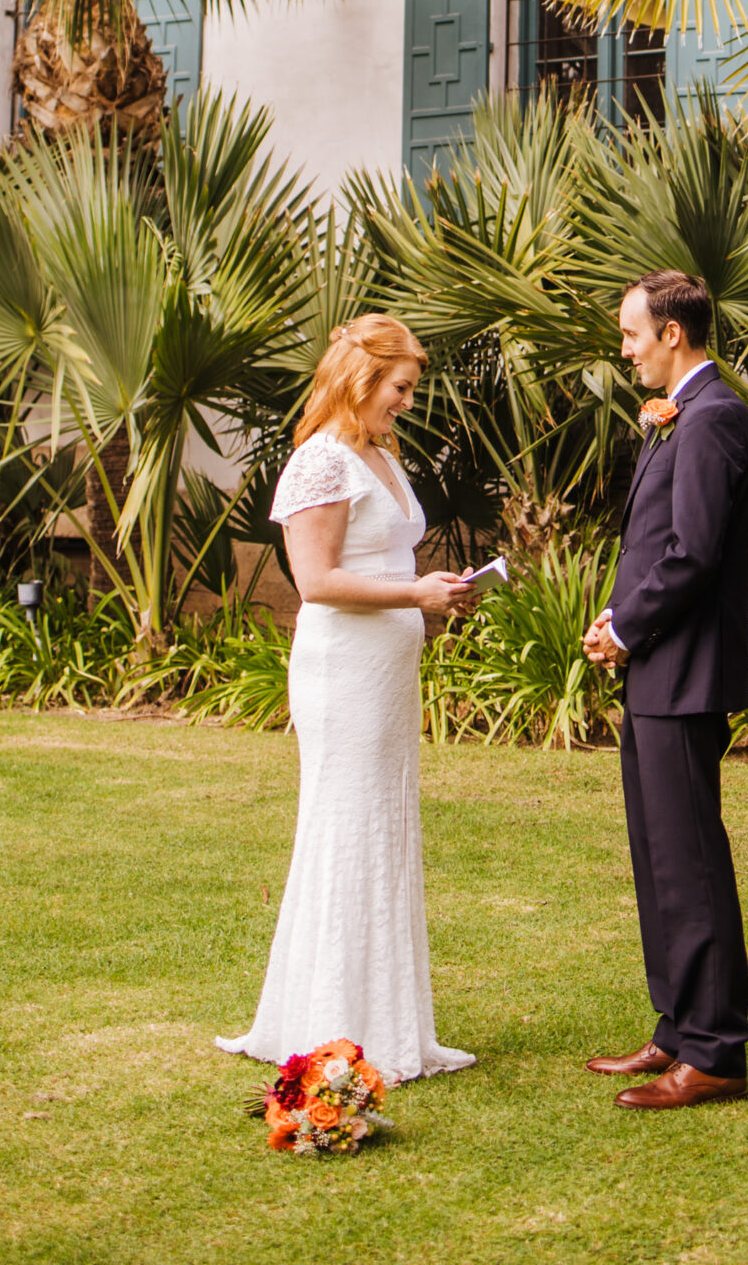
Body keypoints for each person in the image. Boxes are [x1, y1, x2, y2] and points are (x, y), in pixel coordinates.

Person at [214, 313, 480, 1084]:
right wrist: (413, 593)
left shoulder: (379, 455)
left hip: (387, 669)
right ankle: (329, 1026)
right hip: (344, 670)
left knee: (384, 825)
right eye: (399, 388)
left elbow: (386, 553)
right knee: (348, 824)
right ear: (360, 378)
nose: (405, 402)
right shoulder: (320, 462)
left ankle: (391, 1026)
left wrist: (436, 593)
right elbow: (316, 582)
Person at [582, 269, 748, 1110]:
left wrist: (625, 628)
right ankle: (677, 1027)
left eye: (630, 335)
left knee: (690, 863)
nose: (624, 350)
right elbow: (654, 546)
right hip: (655, 669)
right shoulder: (678, 416)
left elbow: (691, 552)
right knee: (658, 858)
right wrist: (617, 617)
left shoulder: (715, 417)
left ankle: (716, 1051)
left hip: (684, 677)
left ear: (671, 334)